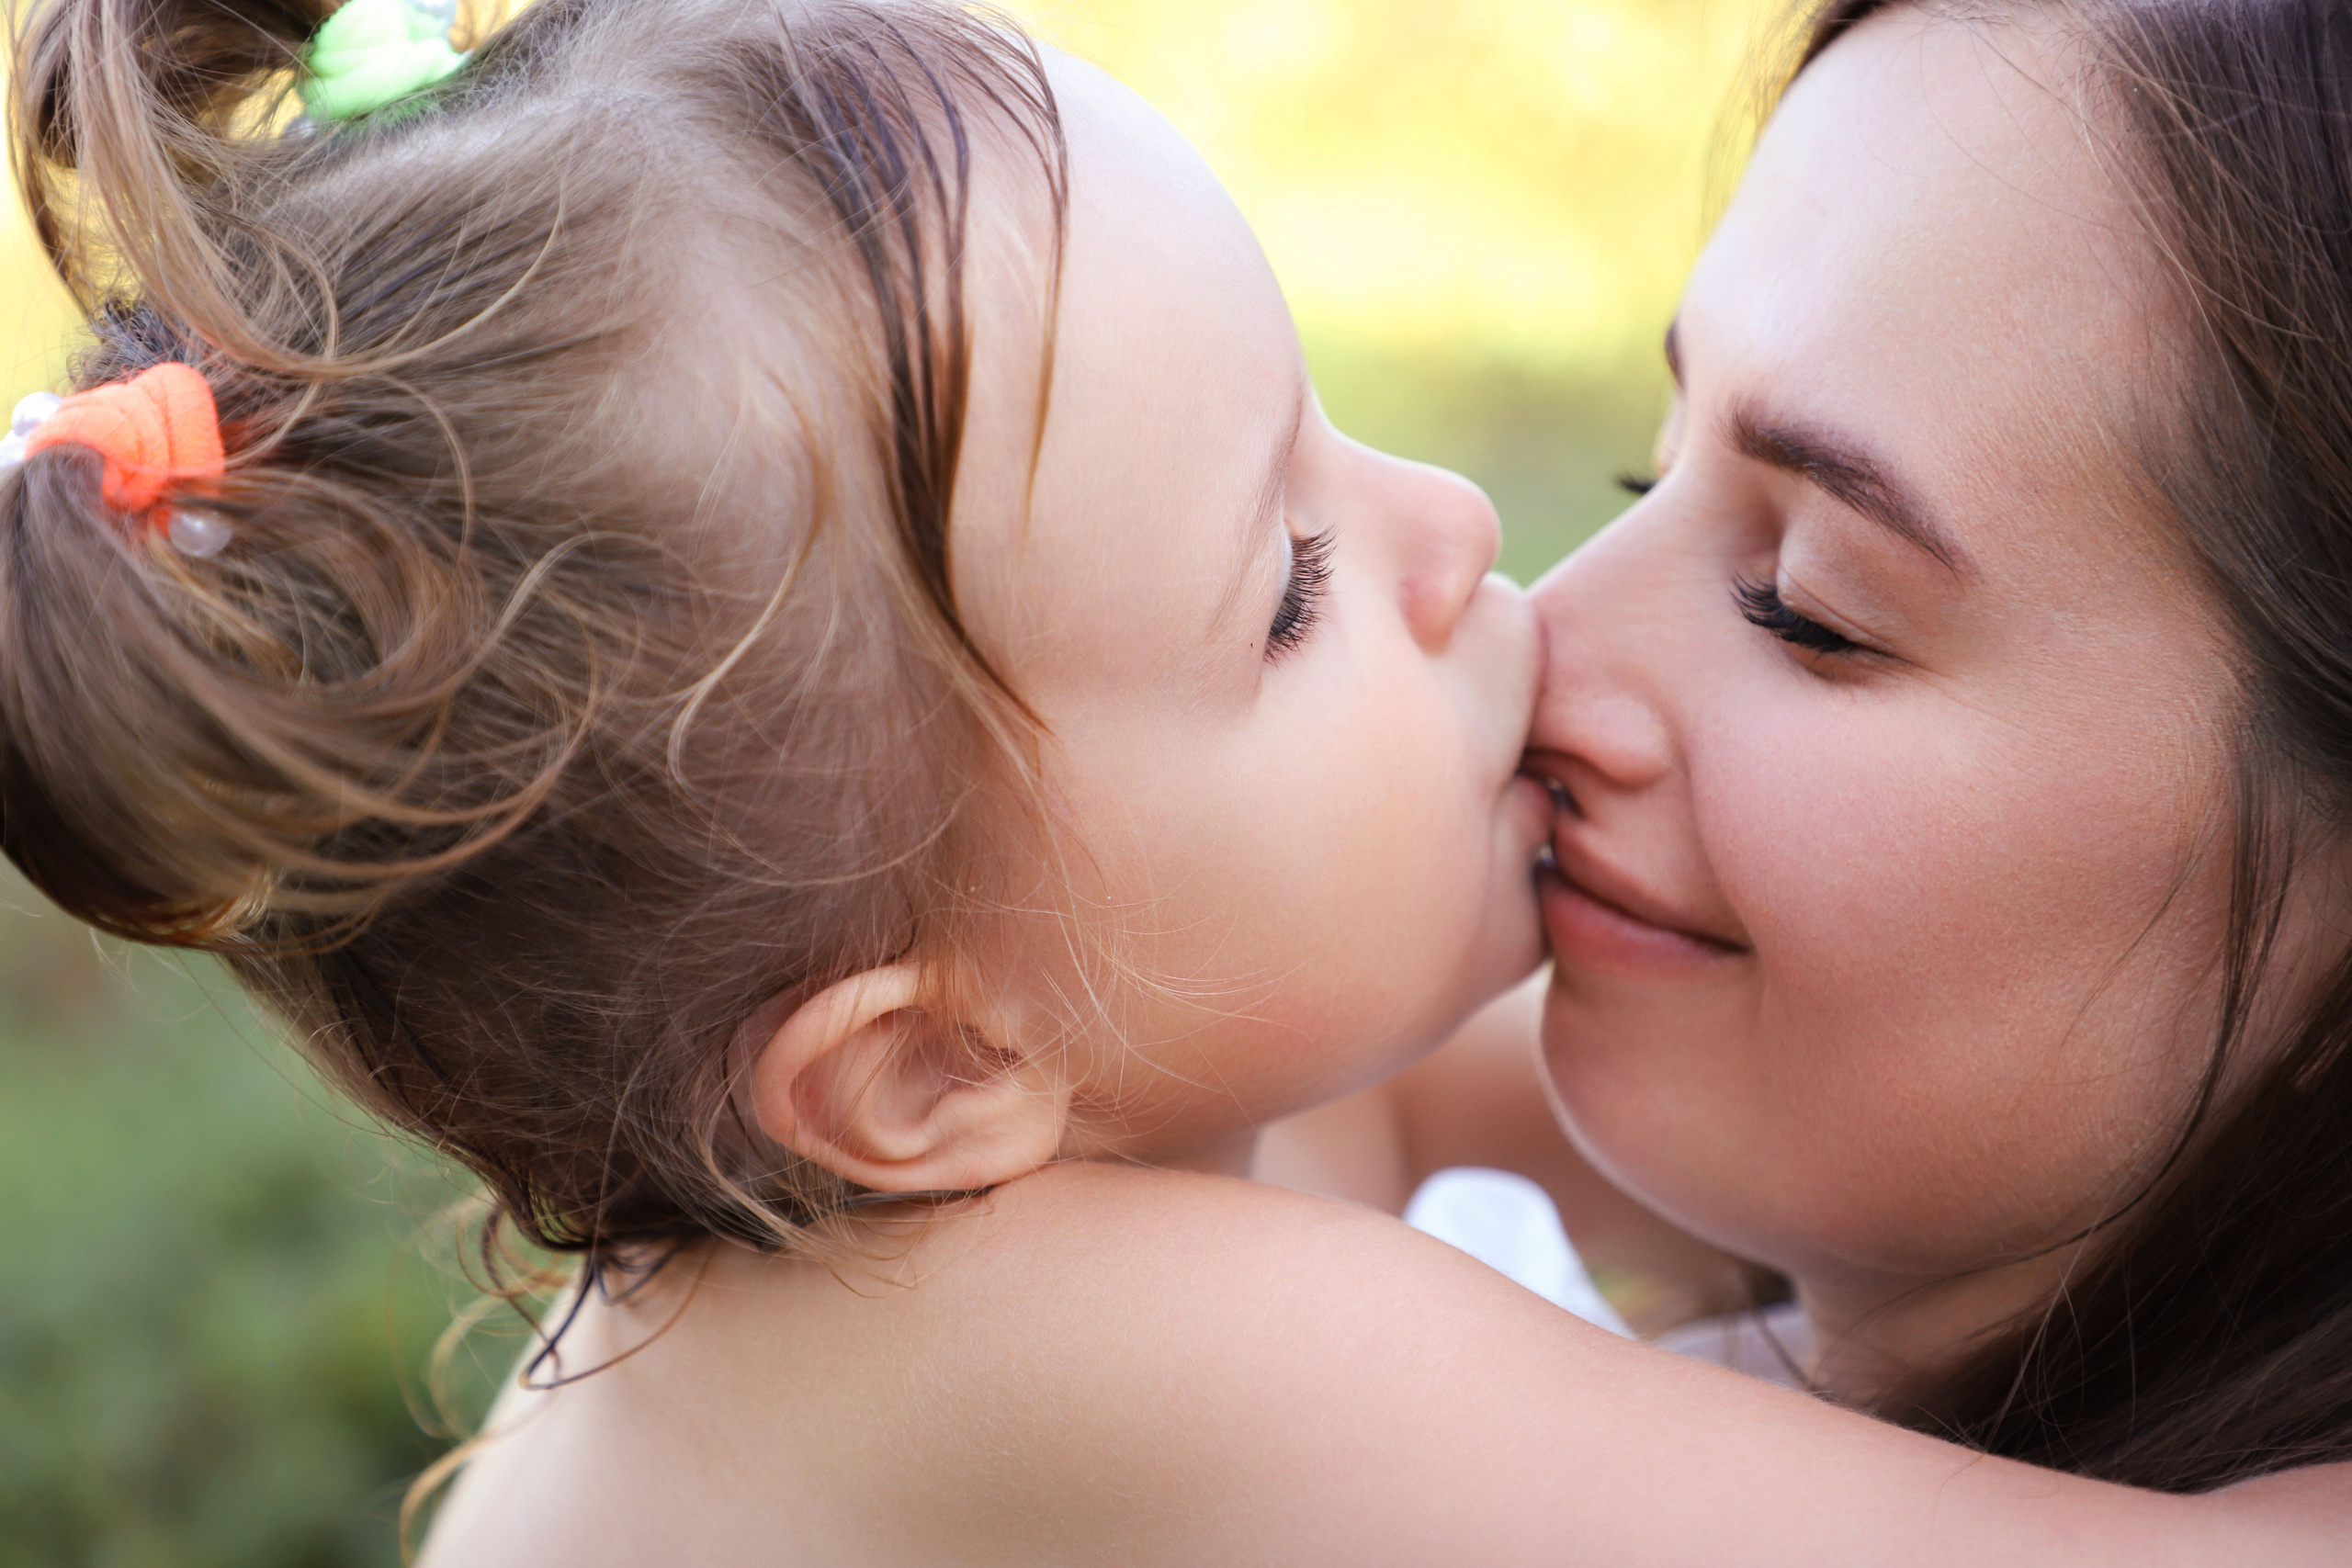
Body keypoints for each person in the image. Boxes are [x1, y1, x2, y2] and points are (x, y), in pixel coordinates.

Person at [5, 1, 2347, 1563]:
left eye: (1814, 596)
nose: (1474, 539)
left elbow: (1437, 1112)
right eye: (1290, 585)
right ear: (920, 1061)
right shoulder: (1084, 1337)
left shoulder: (1076, 1134)